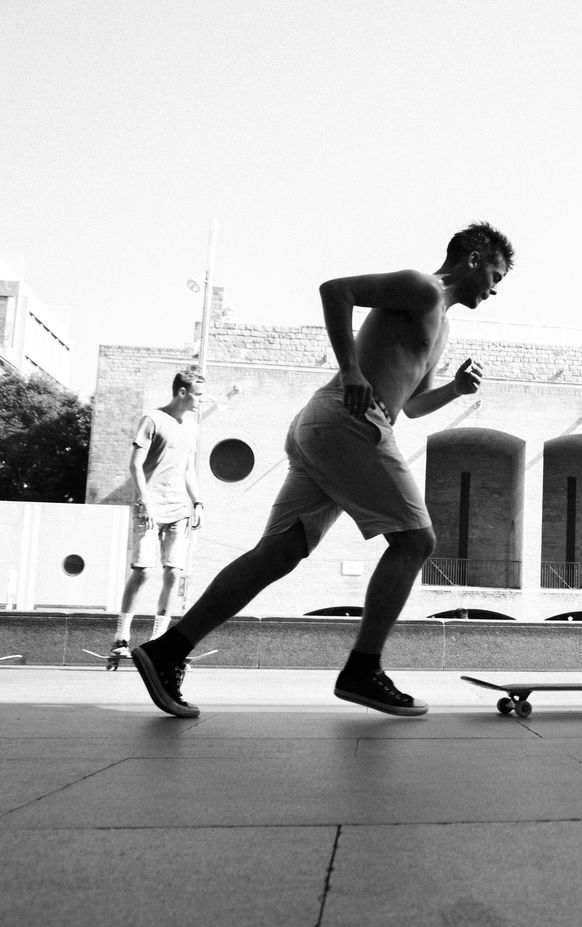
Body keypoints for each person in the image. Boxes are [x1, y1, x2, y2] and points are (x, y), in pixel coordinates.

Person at [133, 222, 514, 718]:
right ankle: (363, 669)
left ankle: (168, 650)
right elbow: (336, 290)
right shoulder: (422, 287)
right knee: (415, 542)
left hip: (329, 430)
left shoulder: (443, 327)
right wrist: (351, 370)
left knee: (276, 554)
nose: (495, 288)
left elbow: (414, 405)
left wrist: (456, 391)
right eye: (495, 275)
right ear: (473, 259)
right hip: (350, 422)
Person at [109, 369, 205, 664]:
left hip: (178, 509)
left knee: (173, 573)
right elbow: (135, 465)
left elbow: (188, 469)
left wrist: (197, 502)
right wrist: (146, 501)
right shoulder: (152, 419)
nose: (201, 400)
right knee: (143, 572)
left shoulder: (192, 428)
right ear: (182, 392)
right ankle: (121, 638)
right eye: (198, 395)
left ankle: (158, 641)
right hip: (149, 507)